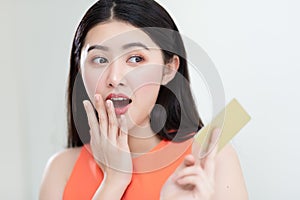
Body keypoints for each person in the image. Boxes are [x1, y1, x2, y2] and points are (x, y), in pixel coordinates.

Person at [39, 0, 248, 199]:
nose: (114, 78)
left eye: (136, 59)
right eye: (100, 59)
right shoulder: (61, 169)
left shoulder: (209, 160)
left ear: (168, 69)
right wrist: (113, 183)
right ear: (79, 69)